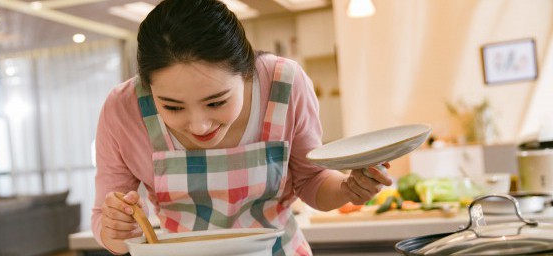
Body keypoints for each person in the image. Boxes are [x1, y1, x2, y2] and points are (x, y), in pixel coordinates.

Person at [92, 0, 392, 255]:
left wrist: (348, 189)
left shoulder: (283, 84)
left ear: (248, 73)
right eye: (172, 107)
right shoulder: (123, 108)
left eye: (216, 102)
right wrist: (116, 230)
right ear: (146, 86)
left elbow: (311, 182)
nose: (199, 125)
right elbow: (106, 223)